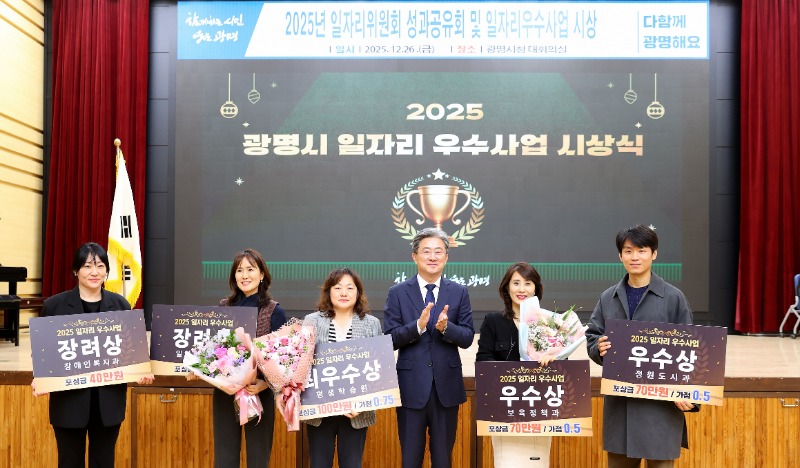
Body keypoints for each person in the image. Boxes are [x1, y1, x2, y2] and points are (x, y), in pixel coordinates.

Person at [586, 225, 699, 468]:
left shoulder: (673, 297)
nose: (634, 257)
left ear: (654, 254)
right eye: (628, 251)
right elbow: (593, 336)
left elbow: (691, 349)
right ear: (620, 256)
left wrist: (689, 394)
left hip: (660, 409)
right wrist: (598, 348)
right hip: (621, 409)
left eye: (641, 250)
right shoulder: (608, 297)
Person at [33, 242, 154, 468]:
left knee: (104, 462)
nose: (94, 272)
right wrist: (40, 376)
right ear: (76, 270)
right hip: (69, 404)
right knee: (69, 463)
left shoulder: (121, 305)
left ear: (107, 271)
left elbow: (130, 352)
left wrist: (140, 370)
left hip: (107, 405)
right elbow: (43, 352)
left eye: (100, 266)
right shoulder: (54, 306)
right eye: (87, 266)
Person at [383, 227, 475, 468]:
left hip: (446, 387)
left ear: (446, 257)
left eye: (438, 252)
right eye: (426, 251)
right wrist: (417, 326)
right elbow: (390, 338)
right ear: (414, 256)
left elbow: (467, 337)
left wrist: (447, 328)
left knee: (443, 460)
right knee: (410, 459)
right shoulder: (398, 292)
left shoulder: (459, 291)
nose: (432, 257)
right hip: (410, 387)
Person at [209, 249, 287, 468]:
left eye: (250, 269)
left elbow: (283, 359)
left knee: (258, 459)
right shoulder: (223, 307)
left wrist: (265, 384)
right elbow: (212, 349)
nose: (244, 275)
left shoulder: (274, 310)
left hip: (258, 392)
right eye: (239, 270)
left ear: (262, 274)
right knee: (225, 459)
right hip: (225, 393)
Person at [303, 268, 382, 468]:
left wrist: (362, 404)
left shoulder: (371, 324)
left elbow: (378, 369)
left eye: (350, 288)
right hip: (320, 412)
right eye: (338, 288)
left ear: (358, 292)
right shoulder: (312, 321)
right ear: (328, 292)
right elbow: (301, 365)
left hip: (356, 412)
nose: (344, 293)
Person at [476, 261, 554, 465]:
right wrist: (509, 373)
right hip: (505, 409)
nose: (522, 289)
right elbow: (483, 359)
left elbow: (563, 368)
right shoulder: (493, 321)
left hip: (538, 408)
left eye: (528, 283)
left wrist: (553, 359)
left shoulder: (547, 322)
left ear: (535, 288)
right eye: (516, 283)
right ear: (507, 288)